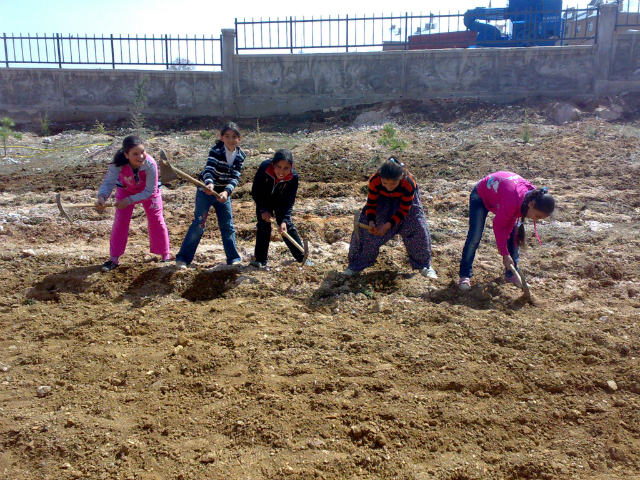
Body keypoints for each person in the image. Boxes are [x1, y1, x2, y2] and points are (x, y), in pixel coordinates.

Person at [458, 171, 555, 291]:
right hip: (481, 195)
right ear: (531, 204)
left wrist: (507, 250)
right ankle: (464, 275)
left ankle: (511, 274)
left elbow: (509, 223)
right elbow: (498, 226)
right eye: (538, 216)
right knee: (475, 236)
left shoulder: (535, 196)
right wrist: (504, 253)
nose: (536, 220)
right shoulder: (513, 200)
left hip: (501, 197)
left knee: (514, 237)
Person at [345, 157, 437, 278]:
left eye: (393, 183)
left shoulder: (408, 183)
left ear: (401, 178)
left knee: (417, 226)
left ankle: (424, 266)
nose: (389, 187)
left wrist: (387, 225)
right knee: (366, 234)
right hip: (382, 201)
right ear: (380, 178)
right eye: (385, 183)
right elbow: (371, 203)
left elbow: (404, 209)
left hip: (406, 205)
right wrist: (371, 221)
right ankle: (355, 265)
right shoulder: (375, 180)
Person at [175, 122, 245, 268]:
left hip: (223, 194)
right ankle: (183, 258)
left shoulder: (240, 155)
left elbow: (235, 177)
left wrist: (226, 192)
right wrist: (209, 184)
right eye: (227, 136)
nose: (230, 140)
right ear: (221, 137)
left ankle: (233, 258)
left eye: (234, 137)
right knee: (199, 224)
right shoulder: (216, 150)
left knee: (227, 225)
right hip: (205, 191)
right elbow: (209, 169)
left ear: (239, 139)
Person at [96, 135, 171, 272]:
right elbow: (108, 183)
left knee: (156, 220)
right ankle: (114, 258)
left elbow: (149, 191)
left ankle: (165, 255)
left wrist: (129, 201)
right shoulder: (117, 165)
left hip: (148, 192)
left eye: (142, 152)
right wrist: (101, 197)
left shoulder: (150, 164)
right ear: (126, 155)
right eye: (135, 154)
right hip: (126, 189)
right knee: (120, 221)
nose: (141, 156)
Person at [249, 149, 307, 268]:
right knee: (263, 226)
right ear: (273, 164)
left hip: (280, 201)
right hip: (263, 200)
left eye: (286, 168)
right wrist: (263, 210)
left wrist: (284, 219)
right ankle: (260, 260)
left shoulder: (293, 177)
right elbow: (256, 191)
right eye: (278, 167)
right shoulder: (264, 168)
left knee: (286, 228)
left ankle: (301, 257)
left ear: (291, 167)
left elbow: (289, 200)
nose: (281, 171)